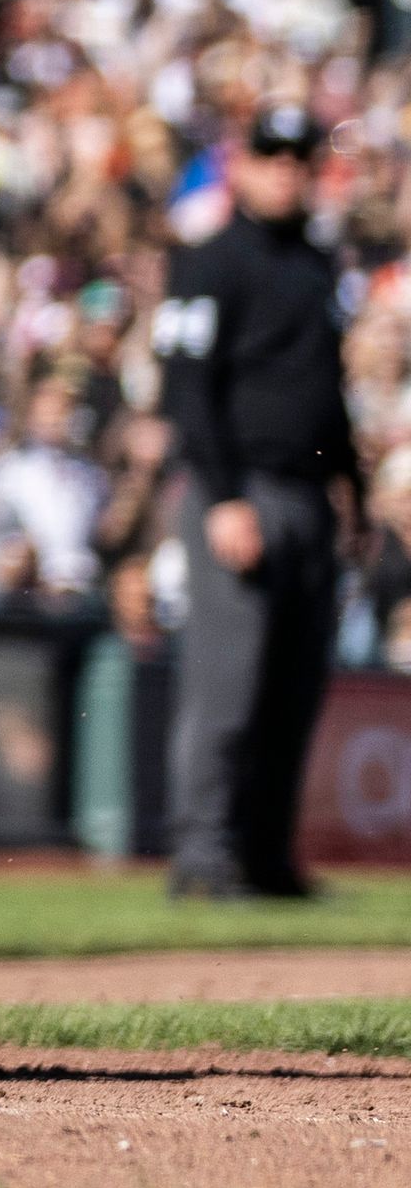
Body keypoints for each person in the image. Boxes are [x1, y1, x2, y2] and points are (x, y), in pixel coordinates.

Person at [158, 103, 352, 900]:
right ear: (242, 165)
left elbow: (328, 394)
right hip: (242, 491)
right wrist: (224, 495)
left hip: (309, 499)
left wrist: (356, 493)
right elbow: (187, 387)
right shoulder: (212, 259)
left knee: (291, 692)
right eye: (272, 155)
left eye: (300, 157)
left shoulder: (313, 265)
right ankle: (202, 856)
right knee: (228, 688)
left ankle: (268, 858)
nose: (287, 170)